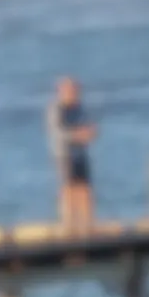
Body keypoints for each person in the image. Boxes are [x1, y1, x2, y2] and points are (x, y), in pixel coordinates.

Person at [46, 76, 98, 231]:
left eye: (76, 91)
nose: (74, 94)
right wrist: (77, 135)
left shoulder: (80, 108)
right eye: (71, 91)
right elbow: (57, 132)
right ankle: (69, 223)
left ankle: (87, 223)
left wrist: (90, 132)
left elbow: (88, 124)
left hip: (80, 154)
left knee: (85, 188)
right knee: (68, 189)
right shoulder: (56, 109)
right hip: (65, 155)